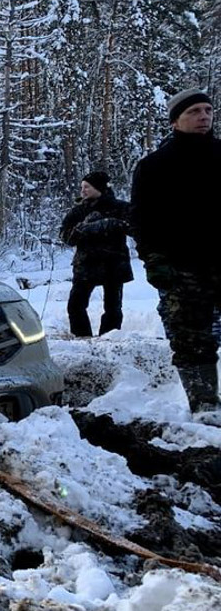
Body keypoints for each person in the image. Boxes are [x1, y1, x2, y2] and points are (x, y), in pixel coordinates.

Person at [131, 88, 221, 415]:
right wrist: (154, 260)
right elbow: (142, 220)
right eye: (194, 111)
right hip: (183, 267)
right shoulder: (155, 166)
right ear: (175, 121)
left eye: (208, 110)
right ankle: (205, 406)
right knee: (192, 340)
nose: (204, 117)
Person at [60, 171, 132, 337]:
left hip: (113, 264)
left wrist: (112, 224)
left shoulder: (120, 208)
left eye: (87, 187)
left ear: (99, 188)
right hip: (85, 265)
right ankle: (82, 338)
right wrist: (84, 228)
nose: (83, 190)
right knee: (75, 305)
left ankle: (109, 339)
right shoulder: (78, 211)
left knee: (113, 307)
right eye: (82, 187)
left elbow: (136, 229)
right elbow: (66, 237)